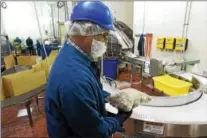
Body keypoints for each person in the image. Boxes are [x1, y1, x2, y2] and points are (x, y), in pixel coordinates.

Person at [45, 1, 132, 138]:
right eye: (104, 36)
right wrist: (118, 119)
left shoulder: (74, 55)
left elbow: (89, 91)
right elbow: (95, 132)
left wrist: (109, 97)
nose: (105, 42)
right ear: (87, 32)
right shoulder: (74, 78)